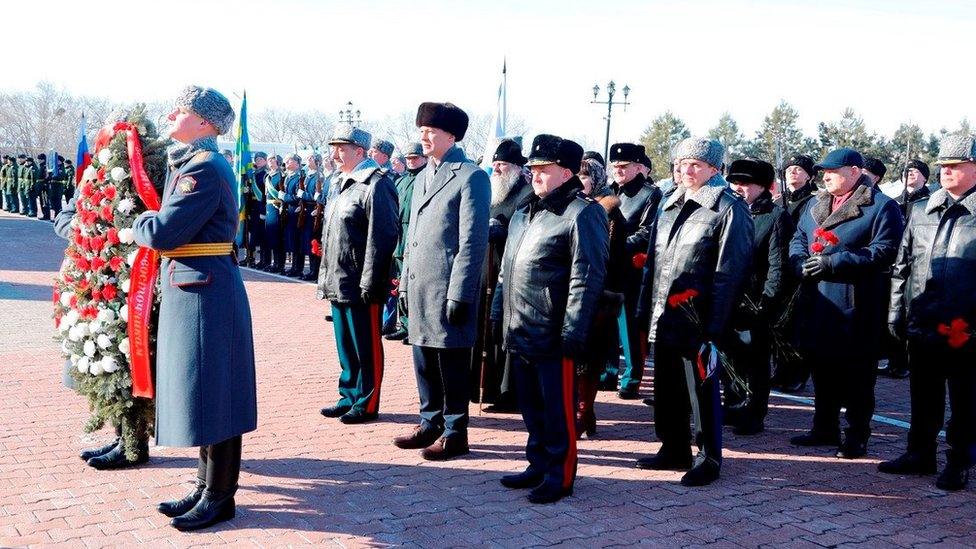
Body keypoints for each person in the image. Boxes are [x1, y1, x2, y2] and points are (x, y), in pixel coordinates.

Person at [132, 85, 257, 531]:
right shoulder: (193, 162)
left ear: (204, 123)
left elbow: (164, 232)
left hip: (205, 293)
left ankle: (220, 496)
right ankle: (206, 486)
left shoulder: (202, 168)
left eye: (181, 110)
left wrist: (138, 221)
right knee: (207, 394)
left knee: (218, 396)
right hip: (196, 289)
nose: (171, 114)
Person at [634, 137, 753, 487]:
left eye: (696, 164)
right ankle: (673, 448)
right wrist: (646, 309)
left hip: (698, 319)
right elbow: (654, 265)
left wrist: (714, 326)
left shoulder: (728, 208)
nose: (686, 170)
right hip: (666, 313)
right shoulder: (669, 203)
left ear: (714, 169)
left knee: (702, 390)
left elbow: (730, 272)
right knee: (668, 387)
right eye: (681, 163)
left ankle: (708, 457)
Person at [495, 134, 608, 503]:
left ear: (567, 172)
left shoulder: (582, 213)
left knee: (557, 410)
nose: (536, 175)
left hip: (553, 331)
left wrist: (573, 330)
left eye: (544, 170)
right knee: (530, 405)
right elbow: (506, 271)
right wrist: (500, 312)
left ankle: (561, 474)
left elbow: (586, 277)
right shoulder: (526, 211)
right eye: (533, 169)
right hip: (520, 326)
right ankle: (538, 463)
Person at [788, 148, 903, 459]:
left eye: (833, 171)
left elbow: (884, 251)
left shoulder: (880, 207)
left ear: (855, 171)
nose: (825, 176)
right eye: (823, 171)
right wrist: (799, 261)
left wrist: (834, 262)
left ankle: (856, 435)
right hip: (818, 300)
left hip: (856, 303)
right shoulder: (815, 204)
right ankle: (824, 427)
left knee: (857, 376)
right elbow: (798, 238)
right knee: (821, 368)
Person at [880, 134, 976, 491]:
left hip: (965, 327)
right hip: (922, 319)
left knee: (965, 399)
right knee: (923, 395)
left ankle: (959, 460)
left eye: (956, 165)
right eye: (943, 165)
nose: (946, 171)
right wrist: (895, 313)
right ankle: (919, 453)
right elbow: (902, 266)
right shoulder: (922, 210)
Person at [395, 102, 490, 461]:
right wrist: (404, 284)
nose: (424, 137)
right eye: (421, 130)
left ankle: (455, 432)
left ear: (451, 135)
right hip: (420, 284)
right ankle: (429, 421)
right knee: (422, 358)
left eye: (431, 131)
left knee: (450, 363)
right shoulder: (422, 177)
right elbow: (413, 236)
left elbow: (473, 241)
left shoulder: (470, 176)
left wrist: (461, 292)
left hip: (448, 286)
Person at [316, 125, 399, 424]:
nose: (335, 153)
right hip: (338, 277)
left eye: (342, 148)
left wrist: (371, 280)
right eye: (334, 147)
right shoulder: (339, 182)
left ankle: (367, 401)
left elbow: (384, 236)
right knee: (346, 345)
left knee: (366, 346)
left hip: (361, 280)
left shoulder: (376, 184)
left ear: (360, 152)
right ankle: (348, 394)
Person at [725, 159, 792, 435]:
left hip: (756, 299)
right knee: (731, 356)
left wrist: (767, 300)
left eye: (745, 184)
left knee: (754, 359)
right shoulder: (728, 210)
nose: (739, 188)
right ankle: (732, 405)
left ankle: (753, 412)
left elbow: (778, 264)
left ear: (763, 187)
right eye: (735, 183)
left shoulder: (775, 216)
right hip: (728, 296)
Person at [474, 138, 534, 413]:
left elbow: (525, 231)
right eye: (495, 164)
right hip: (487, 271)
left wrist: (503, 230)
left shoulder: (526, 194)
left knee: (503, 332)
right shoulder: (494, 192)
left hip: (508, 274)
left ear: (516, 167)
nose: (496, 169)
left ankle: (507, 393)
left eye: (502, 165)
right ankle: (484, 386)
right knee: (485, 330)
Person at [575, 157, 627, 438]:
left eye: (584, 177)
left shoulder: (609, 214)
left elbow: (612, 260)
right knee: (577, 357)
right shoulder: (577, 208)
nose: (579, 181)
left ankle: (584, 412)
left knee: (590, 357)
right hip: (577, 293)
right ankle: (585, 413)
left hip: (599, 295)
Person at [607, 142, 662, 399]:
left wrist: (617, 246)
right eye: (615, 166)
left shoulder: (650, 194)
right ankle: (606, 372)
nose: (618, 170)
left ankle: (631, 377)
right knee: (605, 323)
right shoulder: (608, 191)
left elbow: (648, 231)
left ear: (639, 167)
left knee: (629, 326)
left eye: (624, 166)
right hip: (607, 265)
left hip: (630, 268)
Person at [772, 154, 818, 392]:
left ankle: (797, 373)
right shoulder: (778, 202)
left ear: (810, 175)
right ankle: (780, 370)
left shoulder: (814, 202)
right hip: (779, 267)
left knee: (797, 326)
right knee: (779, 325)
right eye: (790, 168)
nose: (793, 172)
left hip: (800, 269)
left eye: (799, 169)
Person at [385, 143, 427, 341]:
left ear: (424, 158)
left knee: (413, 284)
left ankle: (415, 327)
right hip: (398, 234)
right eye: (409, 159)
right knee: (398, 283)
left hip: (416, 234)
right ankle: (403, 323)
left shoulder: (427, 178)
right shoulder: (401, 181)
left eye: (415, 158)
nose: (411, 162)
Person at [300, 152, 325, 281]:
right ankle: (311, 270)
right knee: (309, 242)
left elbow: (316, 195)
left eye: (311, 158)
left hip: (315, 211)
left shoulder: (319, 176)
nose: (308, 160)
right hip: (307, 211)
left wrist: (303, 195)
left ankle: (316, 272)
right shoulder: (308, 176)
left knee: (315, 243)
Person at [280, 154, 305, 277]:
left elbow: (298, 196)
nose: (287, 162)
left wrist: (285, 197)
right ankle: (293, 267)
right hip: (288, 211)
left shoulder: (299, 177)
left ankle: (297, 268)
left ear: (297, 163)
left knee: (296, 240)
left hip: (296, 211)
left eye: (290, 160)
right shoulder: (287, 177)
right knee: (290, 239)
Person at [243, 151, 268, 268]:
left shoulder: (265, 174)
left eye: (260, 159)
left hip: (260, 205)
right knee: (252, 233)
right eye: (257, 159)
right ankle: (250, 257)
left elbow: (265, 194)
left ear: (265, 160)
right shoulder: (252, 174)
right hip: (252, 205)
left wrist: (263, 210)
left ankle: (263, 260)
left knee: (261, 234)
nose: (258, 161)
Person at [262, 155, 285, 273]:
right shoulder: (267, 176)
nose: (270, 162)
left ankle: (279, 264)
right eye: (269, 160)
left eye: (272, 159)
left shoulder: (281, 176)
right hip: (269, 208)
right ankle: (273, 263)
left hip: (276, 207)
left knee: (277, 238)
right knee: (270, 237)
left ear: (278, 162)